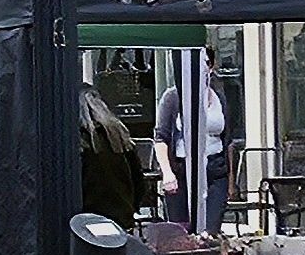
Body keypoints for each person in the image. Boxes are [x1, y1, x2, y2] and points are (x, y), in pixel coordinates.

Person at [154, 57, 231, 233]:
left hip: (215, 167)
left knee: (210, 230)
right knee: (180, 231)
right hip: (182, 169)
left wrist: (231, 181)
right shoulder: (173, 97)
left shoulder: (219, 97)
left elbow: (228, 140)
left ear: (211, 67)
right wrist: (167, 173)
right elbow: (161, 138)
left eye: (205, 62)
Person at [78, 83, 152, 225]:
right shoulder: (118, 135)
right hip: (120, 216)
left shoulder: (78, 140)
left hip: (86, 220)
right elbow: (138, 181)